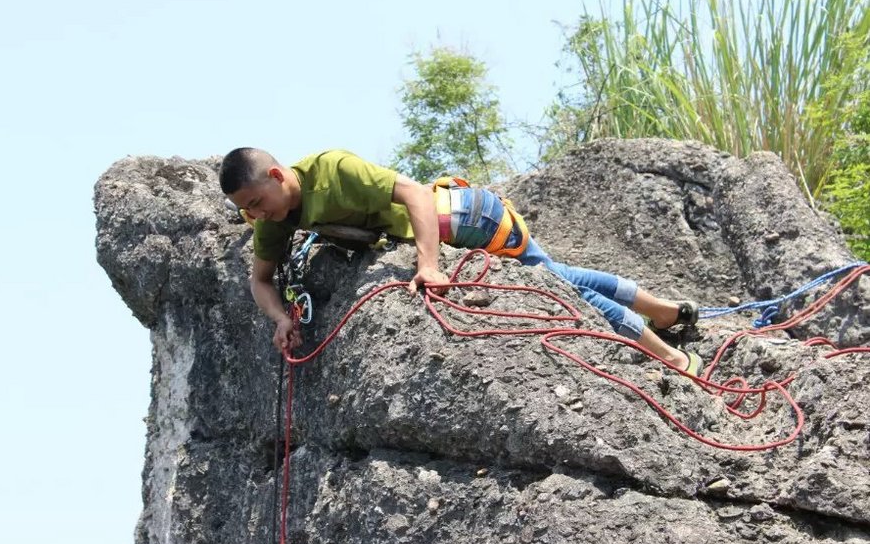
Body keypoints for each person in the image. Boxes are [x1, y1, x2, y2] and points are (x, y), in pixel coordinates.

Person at [219, 147, 701, 374]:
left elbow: (410, 191)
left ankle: (673, 356)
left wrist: (427, 264)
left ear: (278, 176)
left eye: (257, 201)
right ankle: (663, 313)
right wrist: (280, 317)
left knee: (562, 290)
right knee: (557, 277)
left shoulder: (332, 169)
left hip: (467, 219)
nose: (255, 214)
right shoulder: (273, 219)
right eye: (247, 209)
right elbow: (260, 281)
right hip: (461, 222)